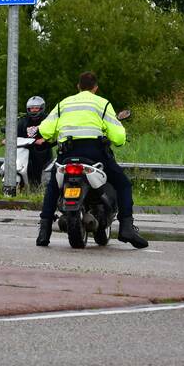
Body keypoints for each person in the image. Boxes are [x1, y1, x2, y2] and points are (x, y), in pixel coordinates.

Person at [34, 71, 148, 249]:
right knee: (123, 183)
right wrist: (119, 139)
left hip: (67, 155)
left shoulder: (63, 103)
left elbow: (46, 130)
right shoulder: (102, 103)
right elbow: (118, 136)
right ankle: (127, 227)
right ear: (96, 87)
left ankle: (44, 231)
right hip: (94, 154)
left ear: (78, 87)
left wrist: (52, 135)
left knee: (53, 187)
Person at [16, 95, 54, 188]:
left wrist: (44, 140)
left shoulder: (48, 120)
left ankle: (40, 188)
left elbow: (54, 134)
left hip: (43, 152)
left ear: (41, 108)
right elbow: (16, 134)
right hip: (26, 151)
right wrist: (8, 139)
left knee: (41, 173)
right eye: (31, 108)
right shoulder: (23, 121)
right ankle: (22, 186)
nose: (33, 110)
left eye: (36, 108)